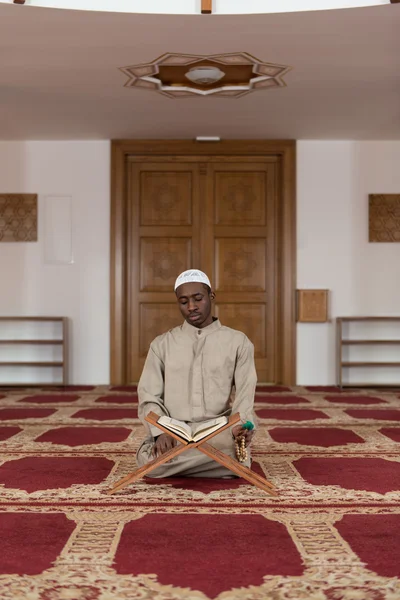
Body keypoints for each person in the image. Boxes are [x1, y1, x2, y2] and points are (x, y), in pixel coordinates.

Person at [136, 269, 257, 478]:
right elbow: (148, 396)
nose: (191, 306)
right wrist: (161, 432)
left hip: (218, 430)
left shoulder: (238, 342)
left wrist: (239, 427)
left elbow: (245, 394)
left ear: (211, 296)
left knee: (238, 456)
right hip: (174, 429)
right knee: (150, 461)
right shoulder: (162, 344)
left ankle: (187, 461)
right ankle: (218, 464)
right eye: (183, 302)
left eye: (197, 298)